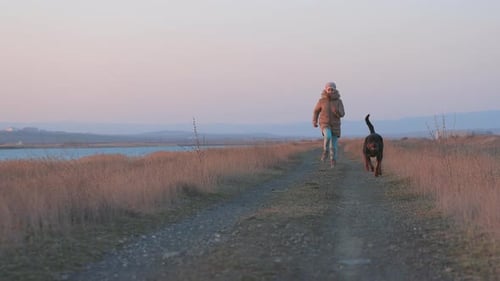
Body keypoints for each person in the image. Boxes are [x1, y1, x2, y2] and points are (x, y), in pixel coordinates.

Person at [312, 82, 345, 167]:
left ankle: (332, 160)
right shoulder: (321, 101)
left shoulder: (339, 101)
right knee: (328, 136)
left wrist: (337, 112)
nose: (330, 91)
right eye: (329, 89)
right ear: (326, 90)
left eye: (332, 89)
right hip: (324, 123)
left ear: (335, 90)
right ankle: (325, 151)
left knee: (333, 146)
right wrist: (314, 121)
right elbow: (316, 111)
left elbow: (342, 114)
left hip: (335, 125)